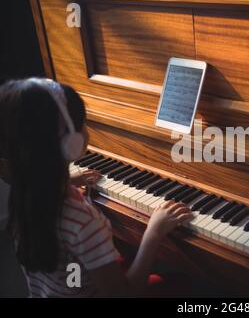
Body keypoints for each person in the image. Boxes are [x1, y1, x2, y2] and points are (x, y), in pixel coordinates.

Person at [0, 77, 193, 297]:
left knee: (76, 269)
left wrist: (66, 181)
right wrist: (154, 232)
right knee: (180, 284)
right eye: (83, 122)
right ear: (70, 143)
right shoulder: (82, 222)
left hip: (62, 288)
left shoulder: (23, 195)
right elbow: (124, 294)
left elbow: (70, 268)